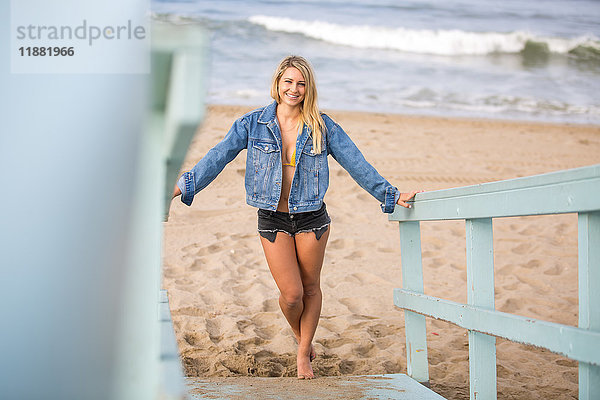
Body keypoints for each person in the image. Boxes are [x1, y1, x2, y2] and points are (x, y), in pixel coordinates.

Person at [172, 55, 420, 379]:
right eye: (288, 82)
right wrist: (181, 186)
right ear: (277, 84)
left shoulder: (322, 125)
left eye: (301, 83)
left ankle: (304, 352)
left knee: (310, 287)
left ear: (309, 88)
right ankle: (301, 335)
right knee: (291, 296)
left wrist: (389, 193)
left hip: (311, 217)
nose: (294, 89)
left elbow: (356, 162)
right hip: (272, 217)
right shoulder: (251, 124)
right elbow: (217, 157)